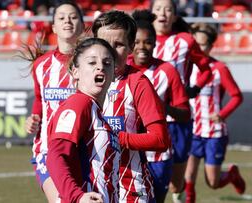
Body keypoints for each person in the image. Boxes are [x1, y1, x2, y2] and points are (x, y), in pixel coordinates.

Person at [92, 10, 170, 203]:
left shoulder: (138, 82)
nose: (110, 51)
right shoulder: (82, 81)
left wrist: (117, 139)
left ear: (130, 47)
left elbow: (160, 140)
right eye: (104, 44)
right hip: (92, 188)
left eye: (118, 44)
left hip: (131, 188)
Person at [150, 0, 212, 202]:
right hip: (147, 118)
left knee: (175, 183)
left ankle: (179, 193)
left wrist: (193, 89)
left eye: (168, 10)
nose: (163, 13)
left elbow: (205, 70)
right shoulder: (139, 39)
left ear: (175, 16)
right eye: (158, 9)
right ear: (151, 13)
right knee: (148, 176)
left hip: (178, 119)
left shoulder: (185, 40)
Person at [23, 1, 84, 202]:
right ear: (54, 27)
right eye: (61, 17)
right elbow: (40, 99)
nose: (67, 20)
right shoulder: (41, 65)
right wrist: (33, 118)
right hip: (47, 150)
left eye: (73, 17)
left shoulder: (92, 64)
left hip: (83, 149)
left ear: (82, 25)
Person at [128, 9, 191, 203]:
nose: (142, 47)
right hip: (128, 154)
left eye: (147, 42)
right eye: (137, 42)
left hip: (158, 157)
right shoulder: (120, 68)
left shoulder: (167, 71)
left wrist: (164, 108)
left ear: (155, 43)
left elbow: (185, 114)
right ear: (130, 44)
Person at [46, 37, 118, 203]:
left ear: (114, 74)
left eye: (107, 63)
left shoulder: (96, 112)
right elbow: (56, 155)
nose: (100, 66)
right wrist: (77, 197)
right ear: (75, 72)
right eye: (92, 62)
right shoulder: (79, 103)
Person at [185, 23, 245, 203]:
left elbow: (236, 96)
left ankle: (232, 174)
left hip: (214, 132)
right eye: (194, 44)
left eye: (201, 44)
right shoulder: (186, 68)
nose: (196, 48)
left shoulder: (219, 68)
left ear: (210, 46)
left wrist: (222, 114)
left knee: (213, 182)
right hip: (193, 130)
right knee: (188, 178)